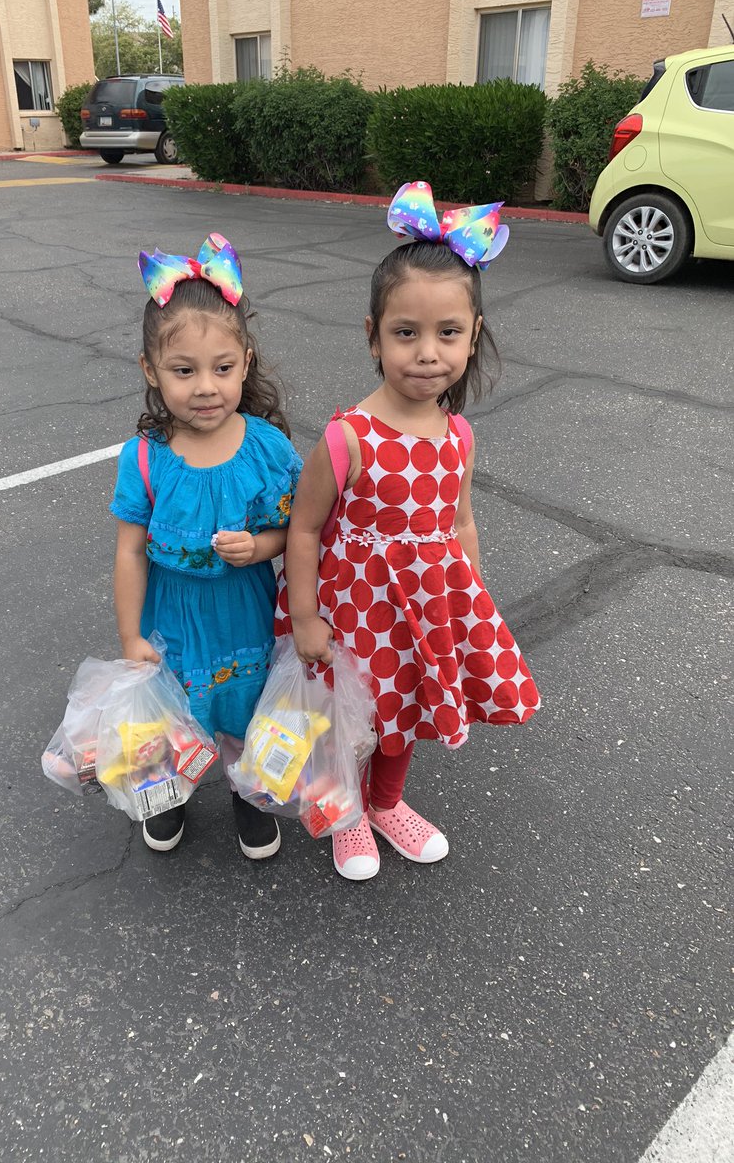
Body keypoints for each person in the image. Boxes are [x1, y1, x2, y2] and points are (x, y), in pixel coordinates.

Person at [278, 181, 540, 881]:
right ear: (373, 336)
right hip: (352, 610)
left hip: (423, 611)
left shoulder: (459, 435)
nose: (428, 353)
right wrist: (305, 616)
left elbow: (459, 519)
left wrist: (471, 598)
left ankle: (388, 803)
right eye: (406, 333)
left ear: (473, 335)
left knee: (405, 712)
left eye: (448, 333)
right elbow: (304, 530)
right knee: (351, 719)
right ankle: (347, 812)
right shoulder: (348, 437)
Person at [111, 233, 302, 859]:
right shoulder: (143, 458)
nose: (205, 387)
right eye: (183, 370)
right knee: (174, 714)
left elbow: (300, 530)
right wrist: (131, 636)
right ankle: (168, 797)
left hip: (244, 607)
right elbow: (130, 551)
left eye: (222, 368)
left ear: (245, 362)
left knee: (247, 710)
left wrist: (262, 544)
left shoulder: (267, 449)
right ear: (150, 370)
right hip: (172, 614)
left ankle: (250, 798)